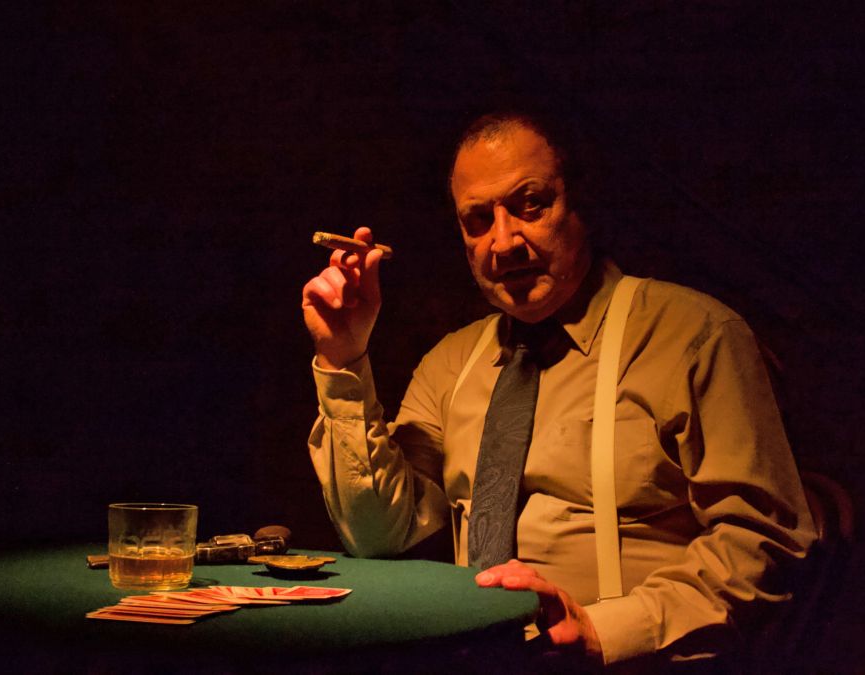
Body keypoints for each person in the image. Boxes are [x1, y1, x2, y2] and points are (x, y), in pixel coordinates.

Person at [300, 110, 817, 669]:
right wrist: (343, 359)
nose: (503, 243)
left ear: (578, 204)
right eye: (478, 220)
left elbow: (764, 543)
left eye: (531, 205)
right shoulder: (451, 364)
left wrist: (603, 630)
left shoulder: (693, 337)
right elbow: (378, 535)